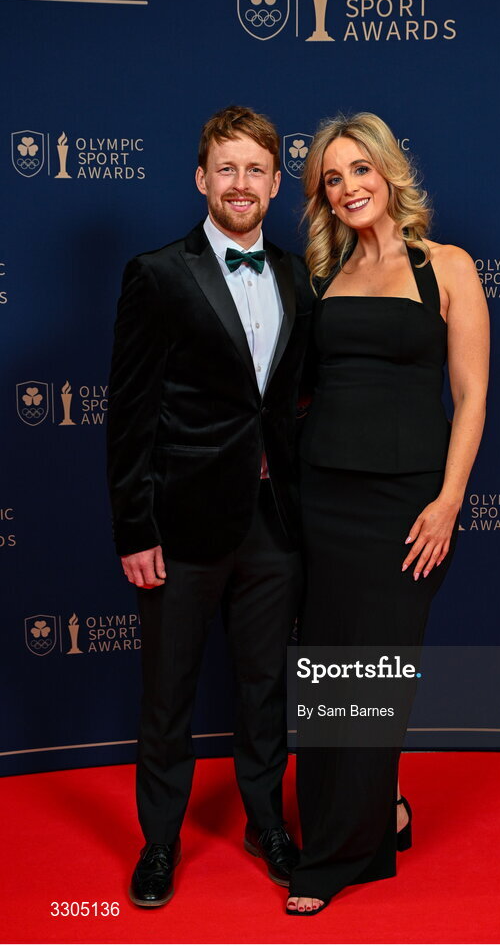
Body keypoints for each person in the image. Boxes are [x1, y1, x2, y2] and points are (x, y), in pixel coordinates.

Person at [107, 106, 313, 907]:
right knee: (169, 693)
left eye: (255, 169)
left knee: (265, 689)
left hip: (273, 522)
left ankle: (268, 825)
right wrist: (135, 527)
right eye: (226, 168)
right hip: (182, 524)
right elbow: (129, 413)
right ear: (201, 178)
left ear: (275, 183)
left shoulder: (297, 275)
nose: (240, 183)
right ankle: (160, 842)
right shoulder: (158, 273)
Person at [286, 112, 490, 914]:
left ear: (389, 171)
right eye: (332, 178)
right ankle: (379, 814)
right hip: (323, 495)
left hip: (407, 504)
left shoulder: (447, 267)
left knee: (374, 669)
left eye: (359, 170)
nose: (348, 188)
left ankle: (340, 854)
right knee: (330, 667)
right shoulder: (323, 274)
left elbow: (470, 395)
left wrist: (448, 502)